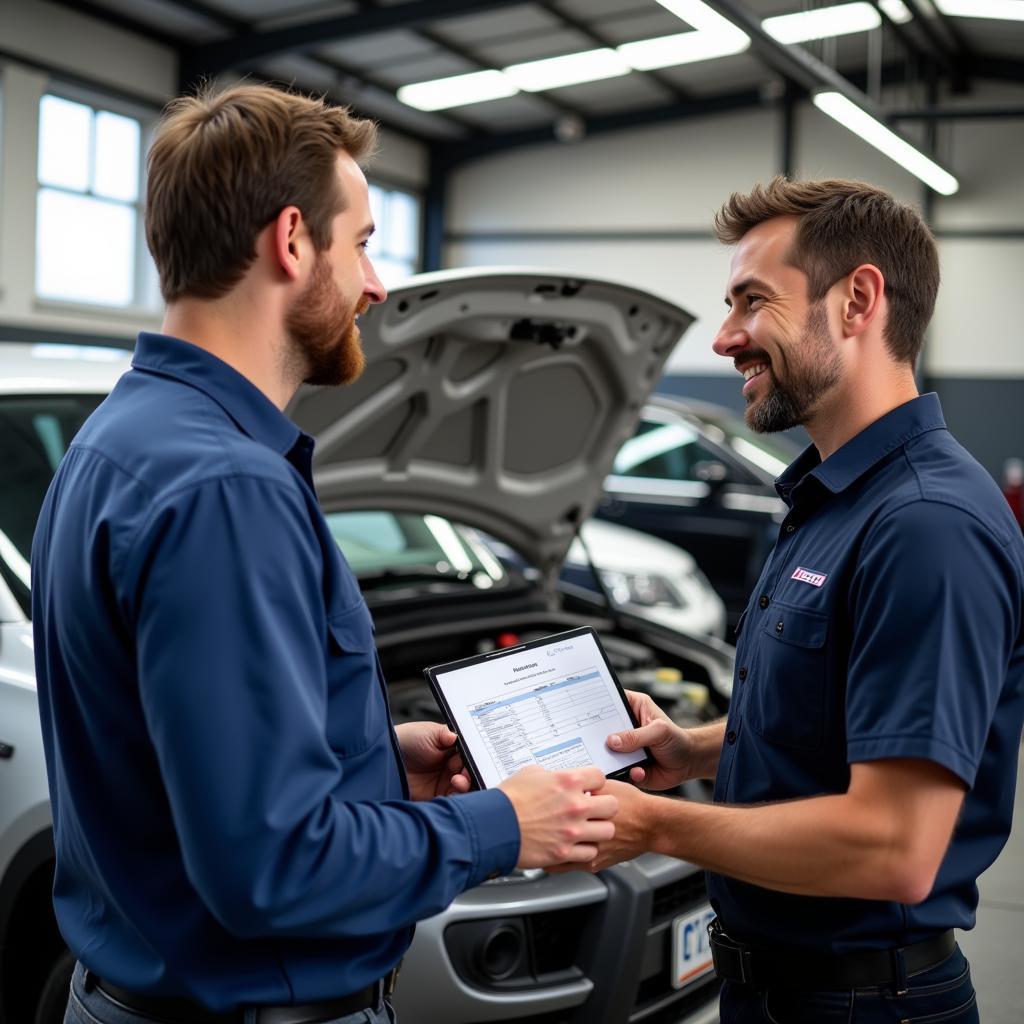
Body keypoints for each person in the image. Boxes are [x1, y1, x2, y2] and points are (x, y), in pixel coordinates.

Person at [31, 83, 618, 1024]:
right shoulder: (227, 489)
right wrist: (505, 824)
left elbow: (170, 757)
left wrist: (374, 762)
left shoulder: (118, 441)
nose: (377, 287)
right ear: (293, 240)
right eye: (366, 244)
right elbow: (273, 869)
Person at [588, 178, 1024, 1022]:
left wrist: (657, 826)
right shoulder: (838, 503)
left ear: (858, 300)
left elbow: (894, 845)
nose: (724, 338)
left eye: (753, 301)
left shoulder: (926, 526)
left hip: (863, 1004)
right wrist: (693, 753)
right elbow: (829, 716)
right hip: (777, 992)